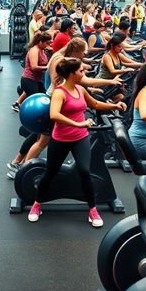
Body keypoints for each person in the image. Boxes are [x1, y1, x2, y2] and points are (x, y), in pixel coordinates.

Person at [27, 57, 126, 227]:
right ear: (72, 74)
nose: (84, 73)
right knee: (50, 172)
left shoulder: (80, 89)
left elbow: (94, 103)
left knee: (85, 172)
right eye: (81, 71)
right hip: (61, 139)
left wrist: (114, 106)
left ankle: (92, 210)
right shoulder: (59, 92)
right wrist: (79, 123)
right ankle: (37, 204)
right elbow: (54, 115)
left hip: (80, 138)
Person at [12, 32, 51, 112]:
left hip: (36, 79)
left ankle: (17, 104)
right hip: (28, 79)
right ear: (41, 42)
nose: (48, 45)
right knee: (35, 101)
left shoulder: (42, 50)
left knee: (43, 96)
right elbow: (34, 67)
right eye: (47, 43)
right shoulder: (34, 50)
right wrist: (47, 67)